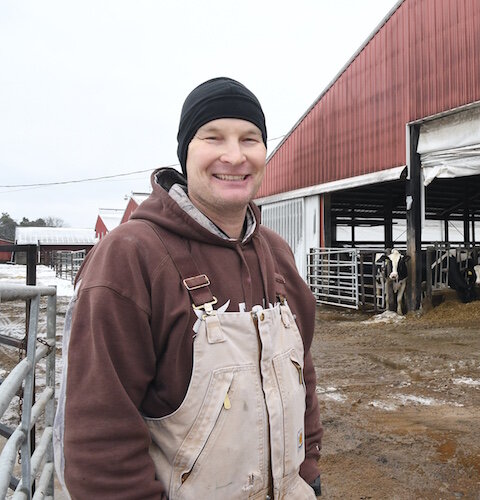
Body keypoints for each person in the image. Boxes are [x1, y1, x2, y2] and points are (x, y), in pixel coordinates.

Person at [54, 77, 323, 499]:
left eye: (250, 138)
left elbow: (300, 373)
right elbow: (99, 435)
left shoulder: (278, 255)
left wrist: (308, 470)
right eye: (213, 137)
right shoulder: (131, 256)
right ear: (185, 152)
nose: (234, 156)